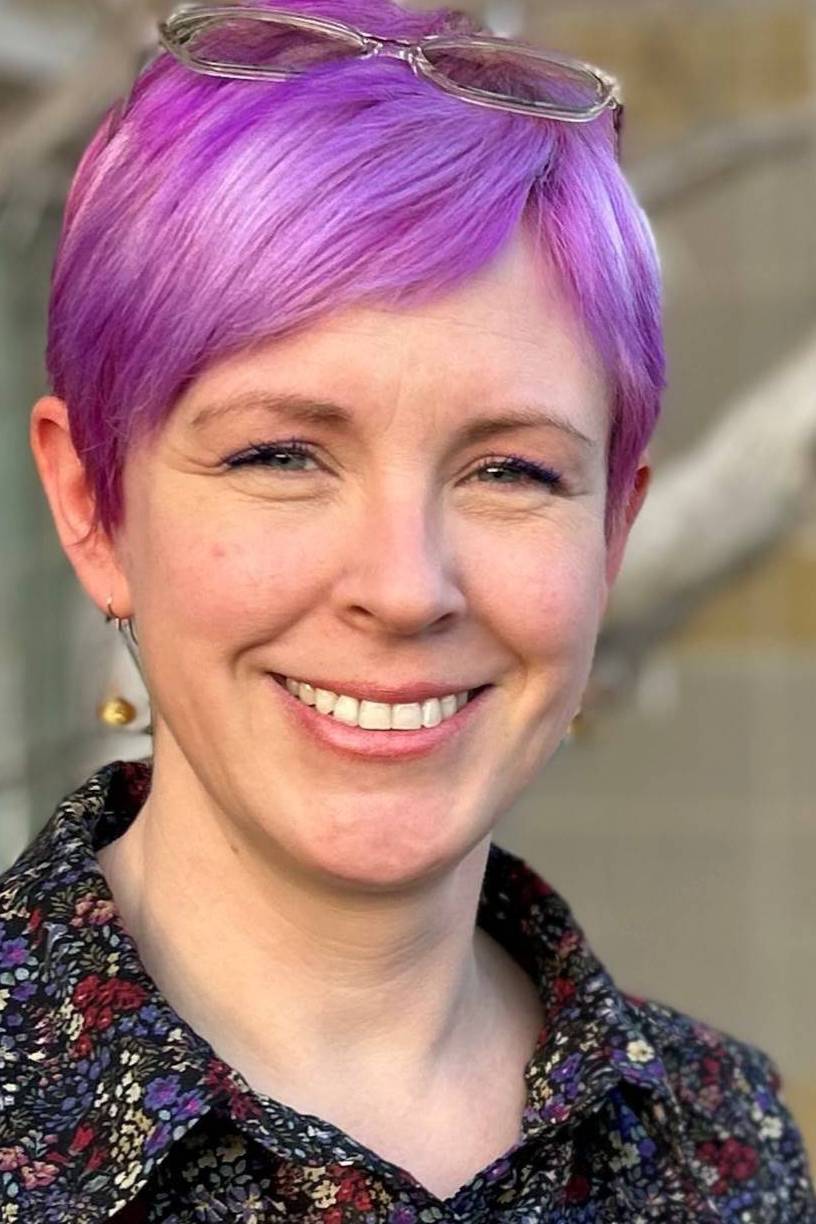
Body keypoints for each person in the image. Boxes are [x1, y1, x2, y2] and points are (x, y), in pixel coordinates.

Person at [2, 0, 814, 1219]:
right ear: (90, 506)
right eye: (282, 455)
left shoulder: (721, 1148)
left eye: (510, 472)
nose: (403, 586)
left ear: (611, 534)